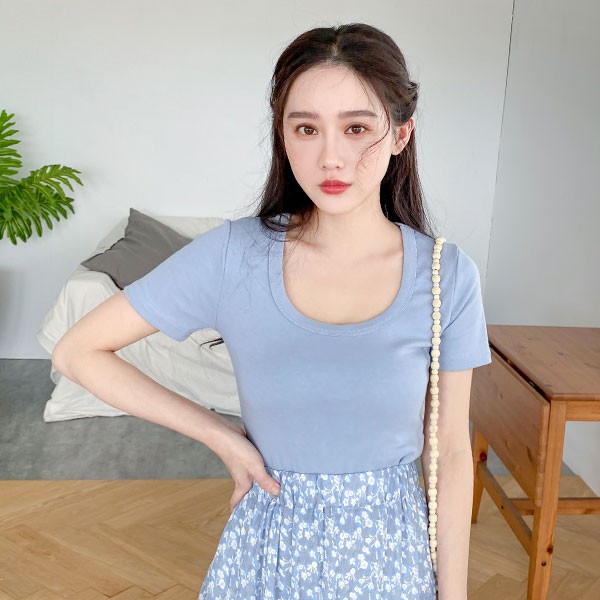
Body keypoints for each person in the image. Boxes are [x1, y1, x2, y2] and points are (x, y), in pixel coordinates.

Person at [52, 22, 492, 600]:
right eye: (306, 128)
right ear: (283, 137)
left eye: (357, 128)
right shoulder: (232, 255)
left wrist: (453, 594)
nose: (331, 157)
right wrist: (221, 437)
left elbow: (452, 453)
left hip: (392, 559)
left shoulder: (446, 276)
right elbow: (77, 351)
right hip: (267, 552)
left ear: (400, 134)